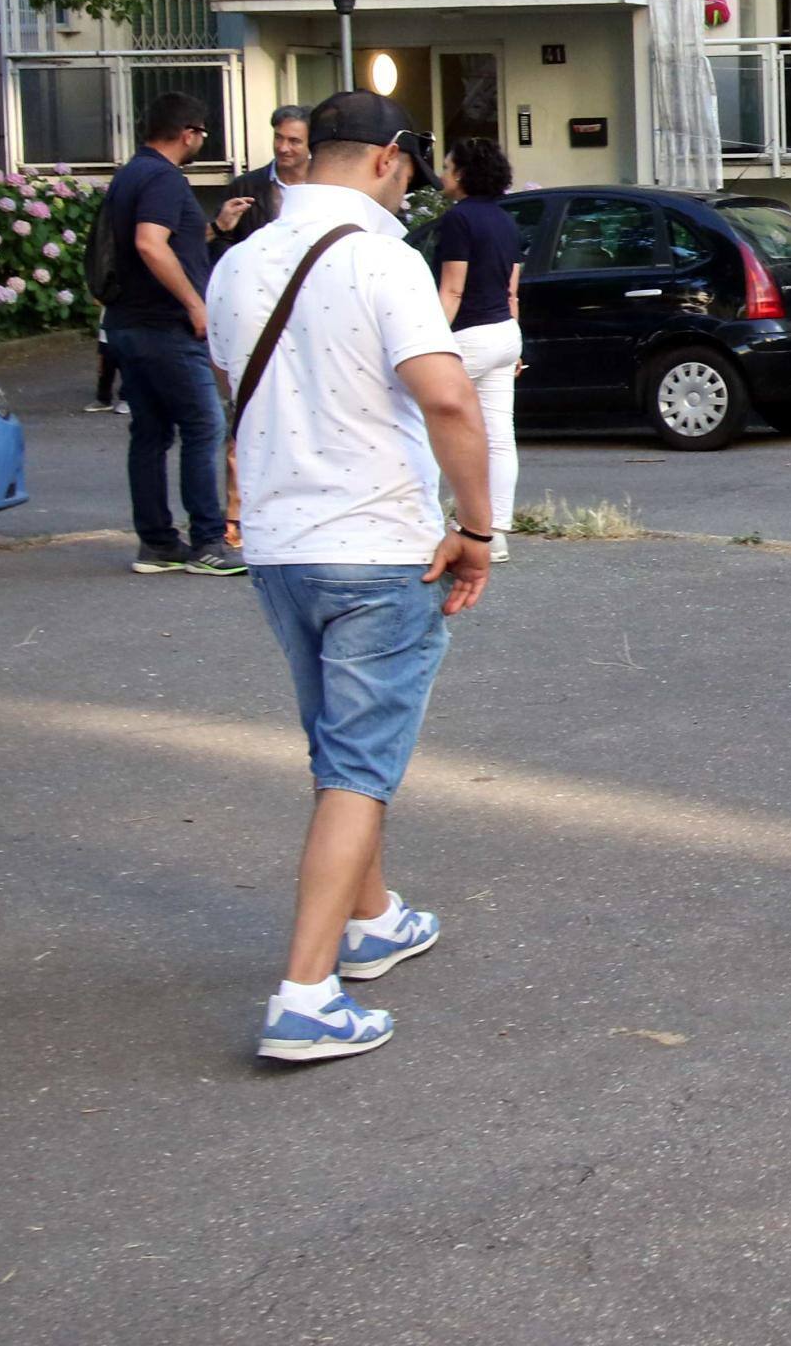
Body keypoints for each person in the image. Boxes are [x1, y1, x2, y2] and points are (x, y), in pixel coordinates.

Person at [206, 90, 496, 1065]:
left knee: (337, 749)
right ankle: (305, 992)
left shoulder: (239, 262)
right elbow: (449, 397)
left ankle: (371, 918)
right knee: (358, 765)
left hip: (281, 542)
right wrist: (478, 527)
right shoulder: (384, 260)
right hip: (378, 539)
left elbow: (234, 396)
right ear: (384, 159)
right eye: (408, 170)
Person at [101, 91, 241, 575]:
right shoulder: (163, 177)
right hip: (164, 327)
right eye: (201, 134)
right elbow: (151, 243)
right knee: (205, 426)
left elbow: (162, 238)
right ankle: (207, 541)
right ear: (188, 133)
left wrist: (213, 228)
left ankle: (157, 542)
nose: (200, 141)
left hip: (125, 323)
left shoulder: (130, 174)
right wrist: (194, 303)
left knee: (151, 433)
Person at [432, 138, 524, 561]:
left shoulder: (456, 221)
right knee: (499, 437)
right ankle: (495, 534)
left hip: (468, 336)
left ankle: (425, 524)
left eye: (448, 166)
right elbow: (511, 293)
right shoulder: (508, 222)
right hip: (505, 335)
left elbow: (452, 289)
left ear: (464, 173)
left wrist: (425, 339)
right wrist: (516, 345)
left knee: (422, 426)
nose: (442, 173)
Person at [212, 104, 316, 258]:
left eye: (294, 141)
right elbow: (221, 241)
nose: (283, 148)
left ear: (312, 143)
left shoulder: (326, 187)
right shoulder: (244, 187)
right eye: (278, 138)